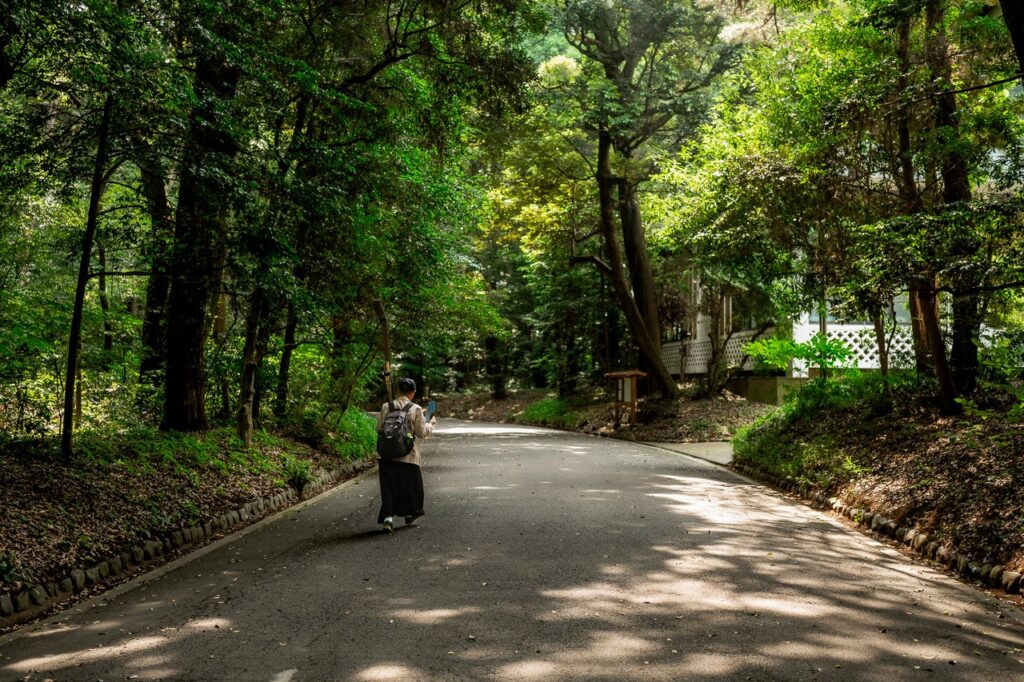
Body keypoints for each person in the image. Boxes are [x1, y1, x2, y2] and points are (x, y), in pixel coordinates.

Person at [376, 377, 435, 533]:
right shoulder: (415, 408)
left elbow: (379, 428)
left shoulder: (385, 407)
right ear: (413, 392)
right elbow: (421, 433)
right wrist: (430, 425)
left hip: (387, 455)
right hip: (408, 455)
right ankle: (411, 513)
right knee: (412, 487)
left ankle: (387, 519)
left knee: (388, 488)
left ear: (398, 391)